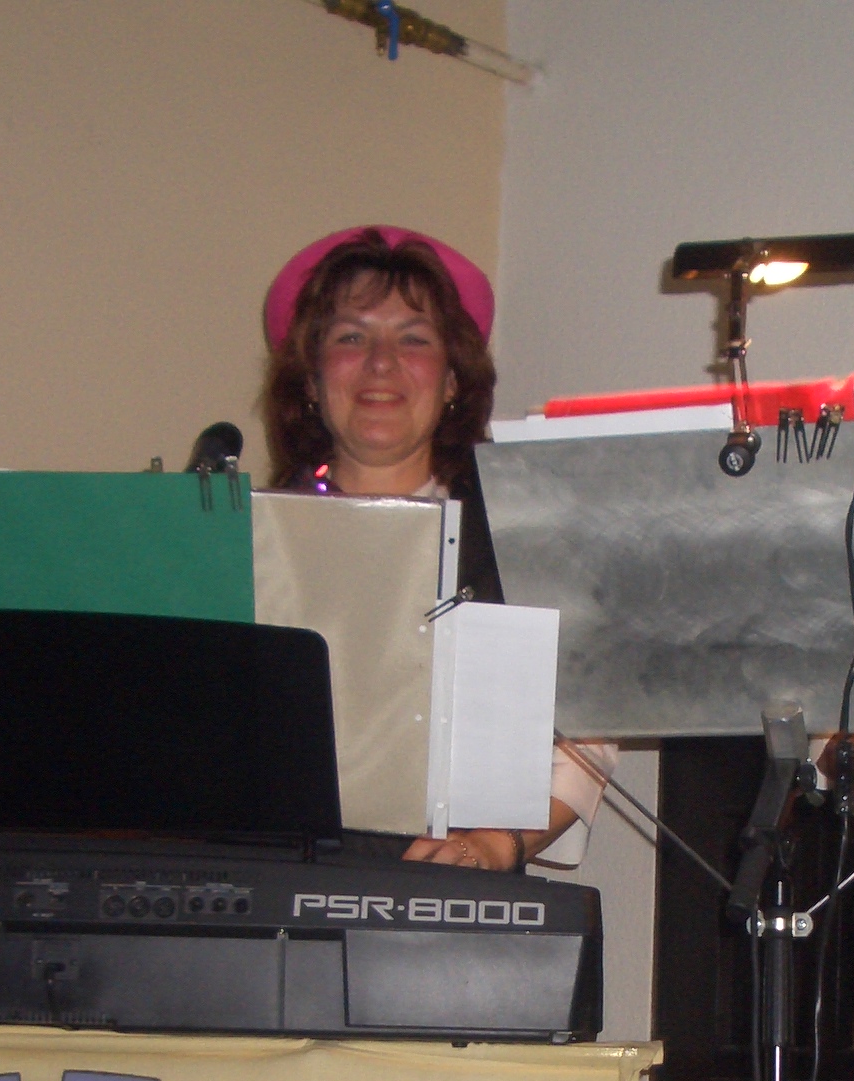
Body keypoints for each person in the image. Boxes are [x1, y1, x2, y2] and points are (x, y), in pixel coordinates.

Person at [260, 225, 610, 870]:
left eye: (414, 339)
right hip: (273, 880)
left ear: (452, 380)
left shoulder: (518, 543)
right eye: (351, 337)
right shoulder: (251, 541)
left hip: (450, 884)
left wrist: (493, 846)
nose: (381, 362)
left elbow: (587, 735)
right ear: (310, 379)